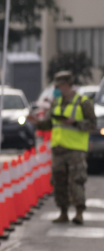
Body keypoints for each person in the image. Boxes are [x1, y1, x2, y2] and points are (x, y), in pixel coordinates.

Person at [36, 71, 96, 224]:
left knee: (77, 181)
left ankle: (79, 213)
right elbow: (49, 124)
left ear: (68, 84)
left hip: (75, 149)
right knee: (58, 181)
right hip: (58, 149)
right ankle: (63, 211)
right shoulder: (56, 103)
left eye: (59, 85)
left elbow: (93, 124)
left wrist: (74, 123)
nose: (57, 89)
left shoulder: (83, 102)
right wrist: (36, 121)